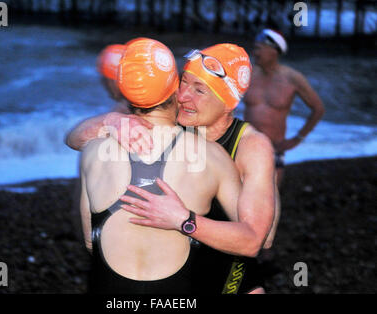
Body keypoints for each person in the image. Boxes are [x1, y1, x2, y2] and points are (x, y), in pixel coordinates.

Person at [67, 44, 277, 294]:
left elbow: (262, 239)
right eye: (184, 82)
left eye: (199, 90)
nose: (184, 96)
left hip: (228, 274)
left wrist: (183, 221)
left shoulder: (251, 146)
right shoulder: (176, 119)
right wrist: (111, 121)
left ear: (228, 103)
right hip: (179, 277)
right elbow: (75, 139)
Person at [244, 29, 325, 186]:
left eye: (258, 48)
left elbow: (318, 108)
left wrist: (297, 139)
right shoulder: (248, 75)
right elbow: (226, 103)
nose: (254, 53)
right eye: (254, 48)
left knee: (270, 199)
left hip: (274, 148)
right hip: (246, 145)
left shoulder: (292, 78)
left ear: (274, 51)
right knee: (239, 200)